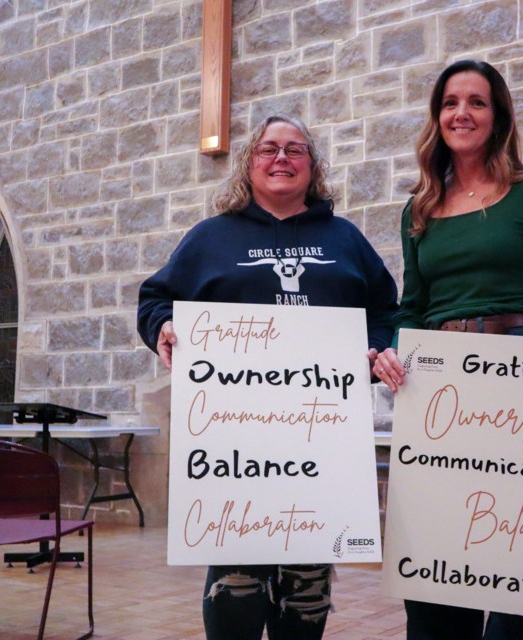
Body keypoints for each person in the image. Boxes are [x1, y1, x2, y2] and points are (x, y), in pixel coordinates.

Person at [371, 60, 523, 640]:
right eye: (451, 102)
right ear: (438, 117)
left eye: (477, 102)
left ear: (498, 115)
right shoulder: (420, 207)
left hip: (522, 378)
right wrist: (393, 352)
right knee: (437, 565)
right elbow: (412, 307)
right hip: (438, 391)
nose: (463, 113)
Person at [137, 114, 398, 640]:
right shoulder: (210, 237)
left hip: (321, 439)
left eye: (296, 149)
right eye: (268, 149)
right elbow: (154, 297)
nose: (282, 158)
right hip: (235, 441)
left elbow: (387, 310)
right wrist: (163, 327)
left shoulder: (345, 239)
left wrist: (380, 350)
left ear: (313, 165)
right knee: (238, 578)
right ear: (249, 164)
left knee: (306, 583)